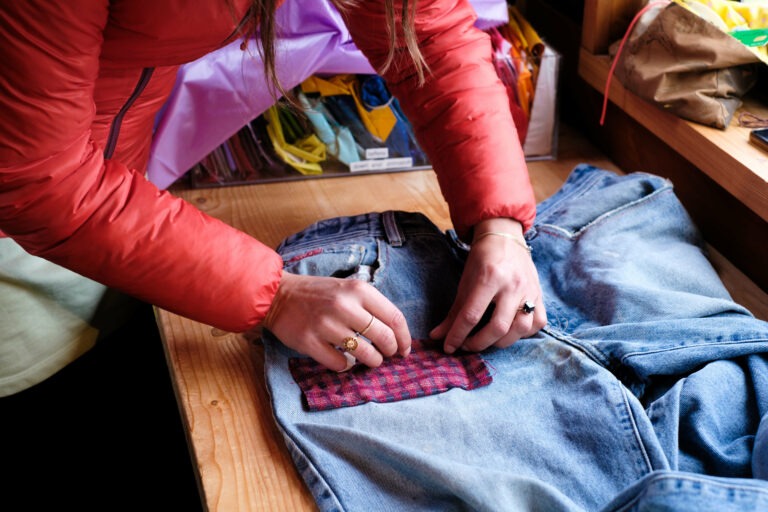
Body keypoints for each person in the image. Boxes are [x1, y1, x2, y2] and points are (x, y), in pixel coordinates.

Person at [0, 0, 546, 396]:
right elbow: (37, 178)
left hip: (112, 205)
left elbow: (427, 36)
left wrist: (499, 222)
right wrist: (274, 295)